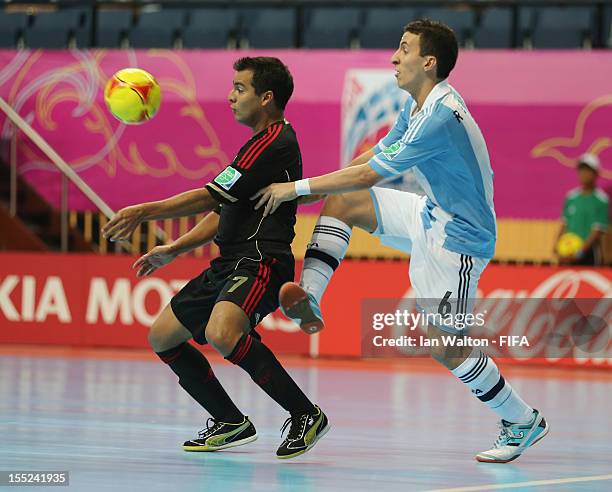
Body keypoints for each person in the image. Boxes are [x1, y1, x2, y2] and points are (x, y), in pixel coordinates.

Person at [252, 20, 548, 463]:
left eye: (404, 49)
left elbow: (373, 173)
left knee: (445, 343)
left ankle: (522, 419)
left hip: (459, 241)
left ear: (428, 62)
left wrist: (293, 190)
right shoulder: (417, 105)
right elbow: (371, 156)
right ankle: (310, 299)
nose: (394, 57)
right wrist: (316, 190)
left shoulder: (440, 115)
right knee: (344, 203)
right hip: (428, 214)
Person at [102, 57, 329, 460]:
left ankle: (305, 414)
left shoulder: (274, 142)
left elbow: (211, 195)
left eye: (240, 88)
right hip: (230, 264)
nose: (230, 96)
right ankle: (229, 422)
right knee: (162, 336)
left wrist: (144, 211)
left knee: (223, 332)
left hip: (261, 261)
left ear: (267, 97)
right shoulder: (258, 143)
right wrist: (173, 250)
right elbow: (223, 210)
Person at [555, 153, 609, 265]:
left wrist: (580, 252)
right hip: (568, 252)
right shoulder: (571, 197)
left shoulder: (601, 200)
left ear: (596, 173)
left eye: (588, 171)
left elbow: (597, 231)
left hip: (589, 253)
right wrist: (557, 246)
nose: (584, 174)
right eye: (581, 170)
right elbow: (564, 224)